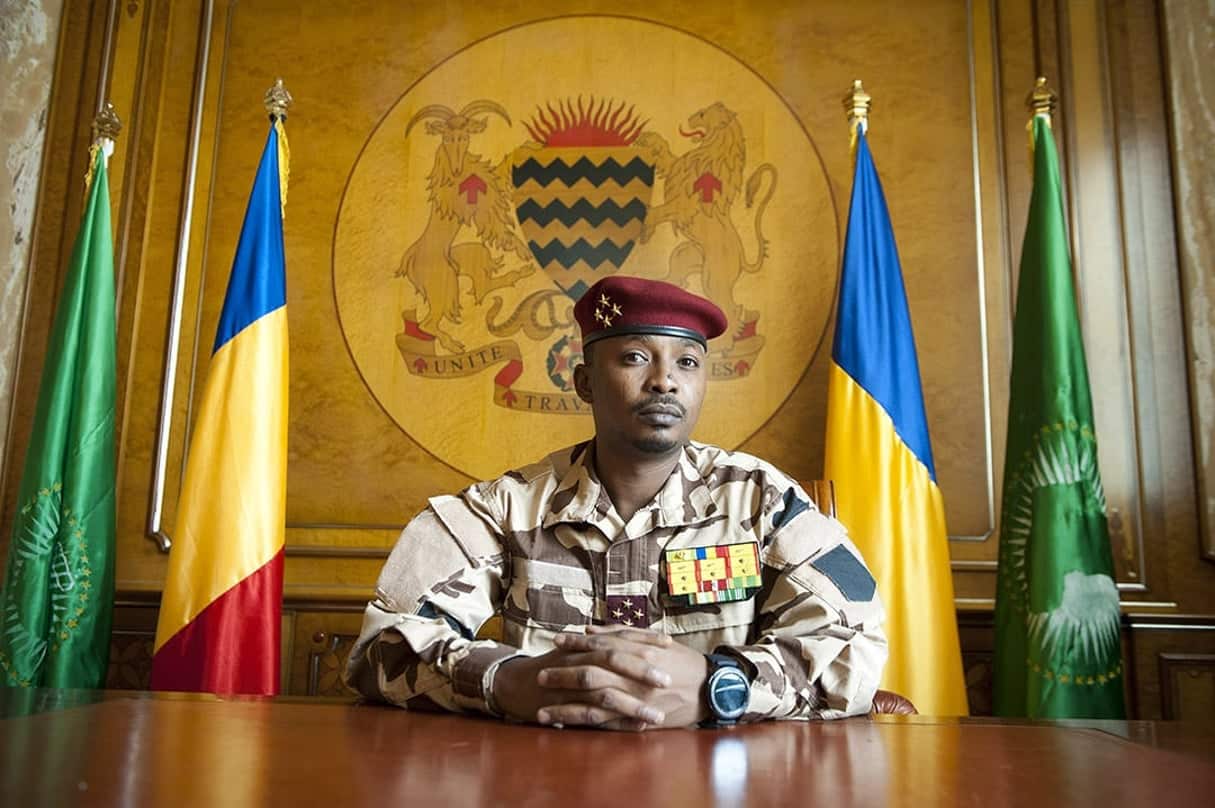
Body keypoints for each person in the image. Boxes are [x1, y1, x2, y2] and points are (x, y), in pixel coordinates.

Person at [344, 276, 887, 729]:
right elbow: (380, 647)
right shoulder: (507, 508)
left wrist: (721, 685)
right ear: (584, 382)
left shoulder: (763, 502)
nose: (664, 382)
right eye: (634, 358)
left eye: (688, 363)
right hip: (544, 776)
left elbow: (857, 645)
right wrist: (504, 681)